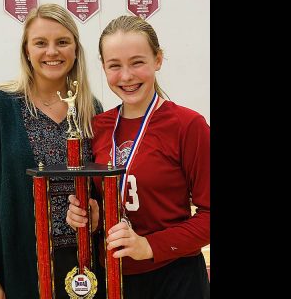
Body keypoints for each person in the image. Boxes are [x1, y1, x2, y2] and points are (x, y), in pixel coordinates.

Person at [66, 15, 210, 299]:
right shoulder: (98, 126)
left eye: (137, 62)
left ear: (158, 59)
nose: (127, 76)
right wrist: (91, 216)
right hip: (112, 275)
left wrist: (151, 246)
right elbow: (105, 198)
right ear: (104, 68)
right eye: (114, 65)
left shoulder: (188, 125)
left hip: (175, 276)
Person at [0, 3, 103, 299]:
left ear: (76, 50)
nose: (52, 52)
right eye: (41, 43)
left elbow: (97, 185)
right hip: (17, 266)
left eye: (62, 42)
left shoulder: (89, 109)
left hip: (83, 267)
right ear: (26, 51)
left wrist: (97, 213)